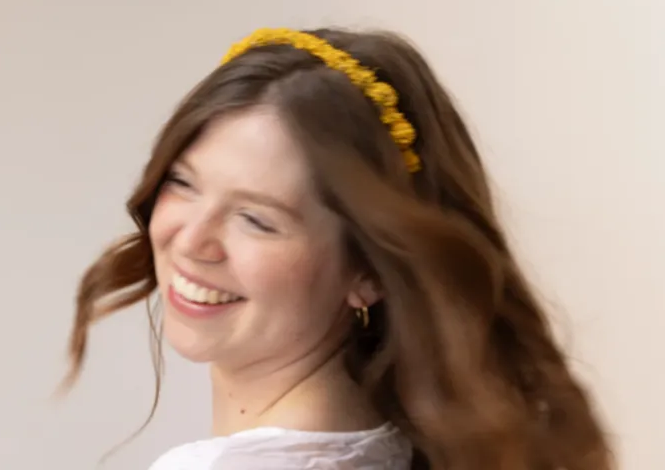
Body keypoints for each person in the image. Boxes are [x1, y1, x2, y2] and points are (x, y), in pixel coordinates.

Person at [62, 27, 614, 469]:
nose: (192, 240)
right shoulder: (397, 450)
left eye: (256, 219)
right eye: (183, 183)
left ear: (369, 270)